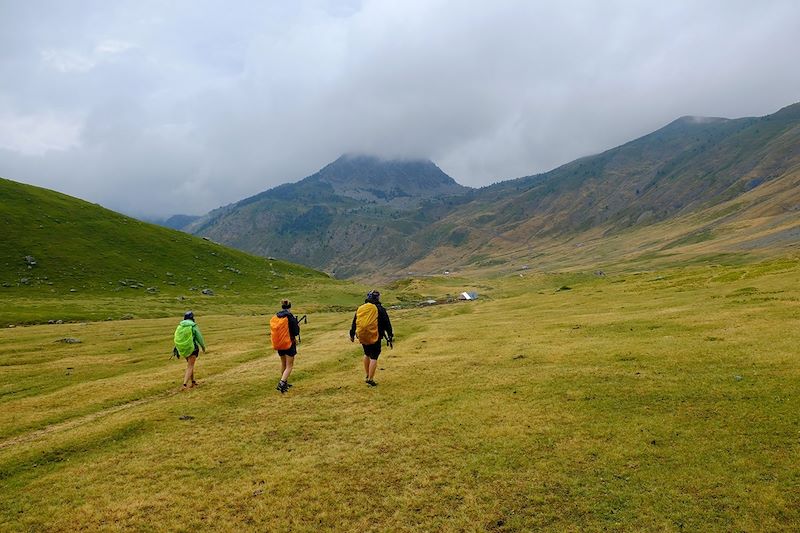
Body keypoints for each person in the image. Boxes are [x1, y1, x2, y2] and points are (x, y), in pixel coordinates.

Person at [350, 290, 393, 386]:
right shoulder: (380, 309)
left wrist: (352, 334)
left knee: (366, 354)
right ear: (377, 297)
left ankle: (367, 374)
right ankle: (370, 379)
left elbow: (355, 321)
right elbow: (387, 323)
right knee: (374, 356)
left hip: (363, 335)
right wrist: (390, 335)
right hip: (375, 335)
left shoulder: (361, 308)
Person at [270, 299, 300, 393]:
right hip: (289, 343)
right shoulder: (290, 317)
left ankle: (285, 381)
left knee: (283, 364)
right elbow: (296, 332)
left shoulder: (277, 317)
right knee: (289, 365)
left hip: (279, 343)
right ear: (290, 307)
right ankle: (282, 383)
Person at [173, 311, 206, 390]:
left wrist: (177, 348)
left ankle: (193, 382)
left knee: (190, 365)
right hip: (192, 348)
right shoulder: (193, 326)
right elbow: (199, 338)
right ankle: (184, 385)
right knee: (190, 366)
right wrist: (203, 347)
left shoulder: (180, 326)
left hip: (184, 349)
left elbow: (178, 338)